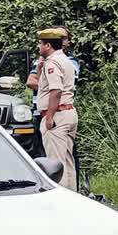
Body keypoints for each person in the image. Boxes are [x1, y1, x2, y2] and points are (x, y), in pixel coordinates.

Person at [34, 27, 79, 191]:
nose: (39, 48)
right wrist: (39, 69)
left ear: (47, 46)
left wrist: (49, 117)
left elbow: (56, 90)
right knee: (67, 161)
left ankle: (61, 201)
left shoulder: (52, 62)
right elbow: (44, 86)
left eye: (40, 44)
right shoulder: (65, 60)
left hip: (57, 115)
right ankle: (73, 196)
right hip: (68, 113)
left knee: (56, 163)